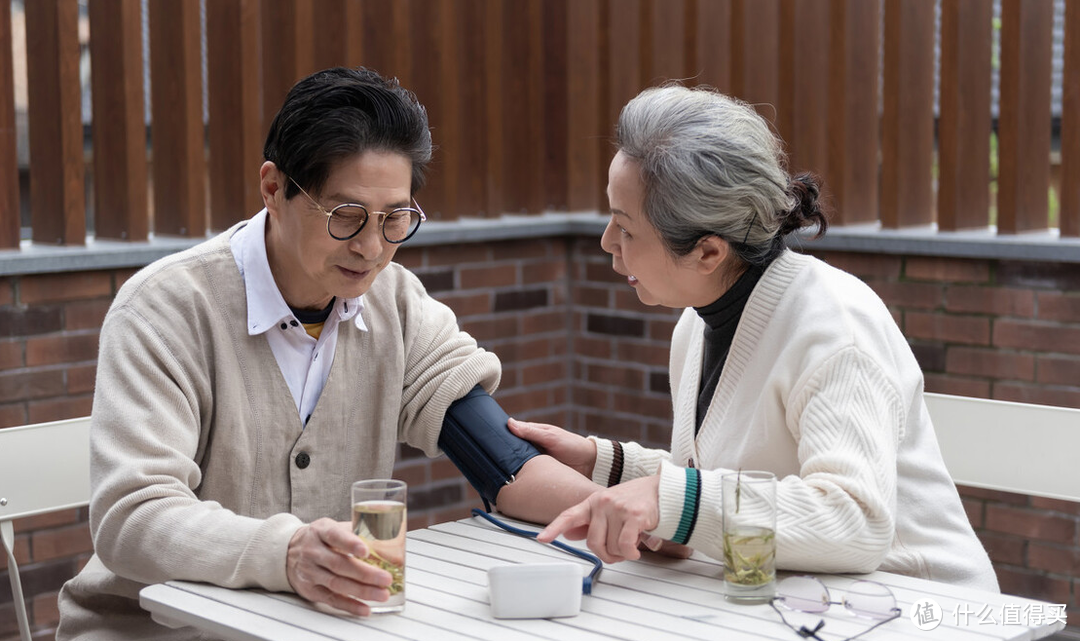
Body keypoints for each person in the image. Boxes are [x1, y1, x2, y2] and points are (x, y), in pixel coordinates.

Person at [56, 67, 597, 640]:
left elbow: (501, 458)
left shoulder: (397, 304)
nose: (371, 248)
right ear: (273, 188)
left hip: (317, 626)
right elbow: (133, 518)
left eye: (395, 218)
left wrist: (621, 512)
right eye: (347, 216)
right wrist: (286, 552)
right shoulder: (166, 309)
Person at [509, 84, 999, 591]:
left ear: (708, 253)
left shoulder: (835, 329)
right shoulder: (698, 323)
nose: (607, 242)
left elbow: (854, 520)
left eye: (625, 228)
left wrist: (668, 498)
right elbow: (732, 480)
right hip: (810, 605)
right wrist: (605, 464)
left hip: (927, 609)